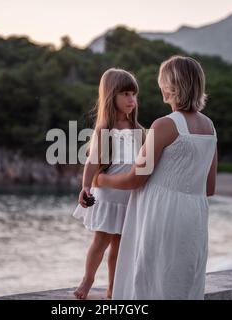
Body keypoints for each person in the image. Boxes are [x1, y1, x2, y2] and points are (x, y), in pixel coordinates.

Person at [95, 56, 218, 299]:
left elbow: (134, 180)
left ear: (171, 86)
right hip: (194, 216)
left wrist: (100, 180)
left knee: (149, 282)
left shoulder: (164, 125)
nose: (159, 85)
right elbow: (210, 186)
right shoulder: (210, 127)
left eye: (162, 81)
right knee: (181, 284)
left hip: (160, 216)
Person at [72, 68, 146, 299]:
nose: (131, 99)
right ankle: (87, 281)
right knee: (101, 240)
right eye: (125, 94)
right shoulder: (105, 129)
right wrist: (85, 187)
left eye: (133, 94)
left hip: (129, 198)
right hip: (107, 195)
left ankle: (114, 288)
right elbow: (92, 162)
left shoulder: (140, 131)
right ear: (110, 96)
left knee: (120, 247)